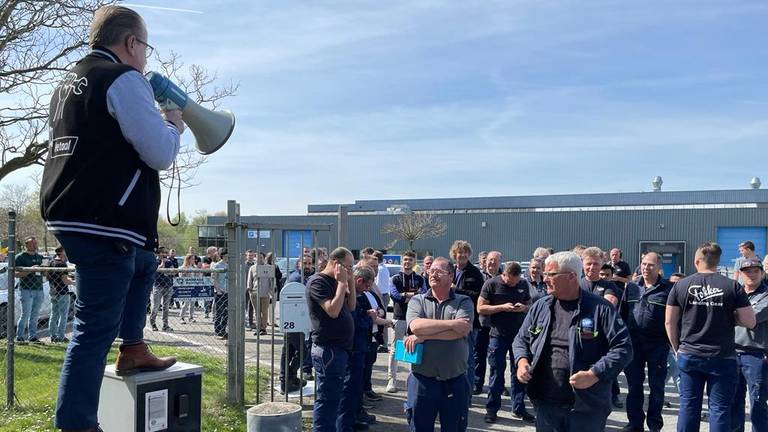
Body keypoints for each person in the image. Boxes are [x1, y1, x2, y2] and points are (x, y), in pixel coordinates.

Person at [40, 6, 182, 430]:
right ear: (131, 43)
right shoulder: (124, 78)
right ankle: (77, 422)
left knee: (143, 261)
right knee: (94, 330)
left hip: (77, 214)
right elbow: (160, 152)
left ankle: (134, 347)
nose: (145, 60)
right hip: (106, 219)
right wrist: (173, 123)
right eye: (145, 48)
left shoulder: (70, 81)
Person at [513, 251, 633, 431]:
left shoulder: (600, 309)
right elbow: (521, 339)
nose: (544, 279)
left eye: (551, 274)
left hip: (586, 407)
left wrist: (594, 374)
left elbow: (623, 348)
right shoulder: (541, 306)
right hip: (546, 405)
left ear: (571, 277)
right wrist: (522, 362)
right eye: (545, 274)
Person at [666, 241, 756, 432]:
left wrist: (676, 349)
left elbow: (669, 322)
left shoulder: (681, 285)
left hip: (690, 354)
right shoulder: (732, 286)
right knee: (720, 409)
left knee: (689, 407)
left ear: (697, 260)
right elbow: (750, 321)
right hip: (722, 357)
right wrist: (730, 317)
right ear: (717, 261)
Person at [404, 256, 473, 431]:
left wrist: (424, 336)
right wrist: (452, 325)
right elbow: (416, 326)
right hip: (422, 381)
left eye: (438, 271)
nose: (432, 274)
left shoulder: (463, 301)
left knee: (454, 427)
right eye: (431, 270)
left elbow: (462, 331)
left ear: (451, 276)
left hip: (454, 381)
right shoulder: (417, 300)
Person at [620, 252, 672, 432]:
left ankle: (654, 425)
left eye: (650, 265)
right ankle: (635, 423)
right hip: (634, 343)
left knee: (656, 387)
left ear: (659, 268)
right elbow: (622, 314)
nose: (645, 268)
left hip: (658, 344)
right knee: (634, 385)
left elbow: (674, 318)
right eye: (643, 264)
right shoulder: (631, 287)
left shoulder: (668, 289)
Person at [305, 247, 356, 432]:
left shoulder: (339, 281)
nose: (350, 270)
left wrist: (349, 281)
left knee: (335, 399)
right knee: (327, 401)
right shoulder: (318, 282)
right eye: (348, 267)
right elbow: (332, 311)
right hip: (328, 350)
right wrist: (342, 284)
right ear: (336, 263)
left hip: (340, 350)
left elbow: (350, 306)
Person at [478, 261, 535, 424]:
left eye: (516, 282)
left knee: (520, 372)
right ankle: (492, 409)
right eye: (510, 281)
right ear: (504, 275)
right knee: (497, 372)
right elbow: (480, 308)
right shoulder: (491, 284)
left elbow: (529, 303)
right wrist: (502, 307)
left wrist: (522, 308)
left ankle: (518, 407)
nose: (513, 284)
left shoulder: (523, 283)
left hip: (519, 336)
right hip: (497, 334)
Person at [339, 265, 392, 431]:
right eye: (367, 285)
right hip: (354, 348)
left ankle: (352, 418)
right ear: (359, 281)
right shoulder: (350, 296)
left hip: (361, 347)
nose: (368, 289)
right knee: (348, 390)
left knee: (355, 388)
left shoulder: (360, 294)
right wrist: (371, 319)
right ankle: (344, 425)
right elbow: (356, 323)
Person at [579, 246, 624, 408]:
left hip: (601, 338)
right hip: (579, 337)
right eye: (588, 263)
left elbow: (609, 305)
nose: (591, 268)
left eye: (596, 264)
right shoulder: (577, 284)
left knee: (603, 371)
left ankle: (612, 395)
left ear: (602, 264)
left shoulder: (609, 286)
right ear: (582, 264)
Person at [731, 258, 768, 432]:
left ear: (762, 273)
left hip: (756, 355)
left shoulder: (766, 295)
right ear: (741, 274)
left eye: (755, 271)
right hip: (731, 354)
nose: (751, 274)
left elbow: (752, 319)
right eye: (747, 271)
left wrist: (727, 316)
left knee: (758, 403)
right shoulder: (735, 294)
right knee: (734, 402)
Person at [450, 240, 485, 401]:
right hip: (450, 319)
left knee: (468, 359)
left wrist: (457, 290)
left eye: (465, 252)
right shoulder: (451, 270)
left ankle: (467, 395)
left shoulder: (475, 273)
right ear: (454, 254)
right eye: (459, 252)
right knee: (453, 357)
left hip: (469, 321)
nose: (462, 255)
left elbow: (479, 296)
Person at [387, 250, 425, 393]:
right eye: (405, 260)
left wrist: (407, 295)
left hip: (415, 319)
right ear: (402, 262)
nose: (407, 262)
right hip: (399, 317)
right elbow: (395, 295)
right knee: (395, 349)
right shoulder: (395, 278)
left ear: (414, 262)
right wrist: (411, 296)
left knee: (413, 348)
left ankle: (412, 380)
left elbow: (424, 293)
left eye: (410, 260)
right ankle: (392, 380)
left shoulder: (420, 279)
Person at [474, 250, 502, 395]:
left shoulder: (504, 277)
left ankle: (499, 385)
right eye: (489, 260)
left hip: (499, 324)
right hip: (483, 322)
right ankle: (477, 383)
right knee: (479, 354)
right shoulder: (480, 277)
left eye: (494, 261)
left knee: (497, 357)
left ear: (499, 262)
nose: (491, 263)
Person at [14, 236, 45, 343]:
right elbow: (15, 274)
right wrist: (31, 270)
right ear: (26, 245)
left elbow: (44, 273)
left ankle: (33, 336)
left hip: (39, 289)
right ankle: (20, 337)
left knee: (35, 314)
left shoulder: (40, 257)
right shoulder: (20, 257)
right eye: (32, 244)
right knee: (25, 314)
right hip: (26, 289)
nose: (35, 245)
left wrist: (44, 269)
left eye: (36, 243)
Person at [48, 246, 74, 343]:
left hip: (53, 291)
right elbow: (65, 280)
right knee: (63, 315)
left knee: (54, 314)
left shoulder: (51, 262)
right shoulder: (62, 264)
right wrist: (74, 282)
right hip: (62, 292)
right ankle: (61, 336)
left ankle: (53, 335)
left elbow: (47, 276)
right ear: (62, 252)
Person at [149, 246, 176, 332]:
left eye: (166, 253)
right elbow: (155, 272)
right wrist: (162, 265)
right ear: (159, 253)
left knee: (166, 307)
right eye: (163, 252)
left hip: (168, 286)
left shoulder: (169, 261)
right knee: (156, 307)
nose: (165, 254)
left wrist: (170, 270)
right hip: (158, 286)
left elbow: (174, 272)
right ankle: (153, 323)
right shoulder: (154, 261)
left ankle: (165, 325)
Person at [373, 250, 392, 352]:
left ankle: (383, 344)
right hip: (385, 295)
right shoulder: (384, 268)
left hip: (381, 295)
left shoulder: (380, 269)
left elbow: (378, 285)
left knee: (381, 319)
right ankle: (382, 343)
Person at [247, 252, 269, 335]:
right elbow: (250, 279)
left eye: (261, 257)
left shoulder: (268, 268)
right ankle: (258, 328)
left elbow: (271, 280)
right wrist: (249, 288)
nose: (259, 259)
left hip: (265, 293)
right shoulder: (252, 268)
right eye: (257, 257)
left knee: (264, 311)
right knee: (257, 311)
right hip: (255, 292)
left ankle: (264, 328)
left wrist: (272, 291)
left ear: (264, 258)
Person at [212, 248, 229, 340]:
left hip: (228, 292)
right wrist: (218, 290)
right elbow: (214, 279)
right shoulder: (217, 266)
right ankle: (217, 330)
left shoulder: (230, 265)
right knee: (219, 312)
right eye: (226, 255)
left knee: (227, 312)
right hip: (220, 292)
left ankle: (223, 330)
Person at [178, 254, 197, 324]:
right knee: (186, 303)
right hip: (186, 288)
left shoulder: (193, 267)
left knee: (192, 303)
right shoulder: (182, 267)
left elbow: (196, 277)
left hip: (193, 287)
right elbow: (180, 278)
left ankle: (191, 317)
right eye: (192, 259)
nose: (193, 260)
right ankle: (181, 317)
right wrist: (185, 272)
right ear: (188, 259)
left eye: (194, 259)